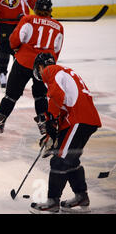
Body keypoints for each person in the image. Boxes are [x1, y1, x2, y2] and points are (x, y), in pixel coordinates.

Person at [29, 52, 101, 214]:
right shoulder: (64, 72)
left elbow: (57, 96)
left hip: (79, 120)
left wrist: (50, 121)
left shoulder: (50, 71)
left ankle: (53, 201)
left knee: (59, 160)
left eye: (39, 69)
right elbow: (64, 102)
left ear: (41, 67)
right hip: (84, 120)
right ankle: (81, 196)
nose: (40, 73)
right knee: (70, 159)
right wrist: (52, 128)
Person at [0, 0, 64, 135]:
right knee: (41, 96)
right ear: (50, 10)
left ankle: (0, 122)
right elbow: (56, 50)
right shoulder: (58, 26)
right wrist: (49, 67)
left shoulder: (27, 19)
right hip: (44, 67)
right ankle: (43, 125)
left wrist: (16, 49)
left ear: (35, 8)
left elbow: (14, 39)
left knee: (10, 96)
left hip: (23, 62)